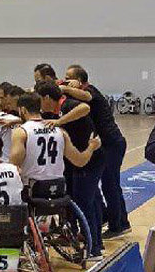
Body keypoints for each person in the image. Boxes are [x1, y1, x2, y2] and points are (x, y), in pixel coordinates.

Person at [35, 81, 105, 259]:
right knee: (76, 200)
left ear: (47, 98)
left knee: (84, 202)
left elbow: (85, 108)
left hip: (91, 157)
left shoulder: (67, 104)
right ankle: (81, 238)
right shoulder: (50, 111)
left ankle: (95, 248)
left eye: (40, 99)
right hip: (76, 158)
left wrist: (59, 122)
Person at [65, 65, 131, 239]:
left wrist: (64, 88)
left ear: (79, 80)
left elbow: (85, 96)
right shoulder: (80, 95)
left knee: (110, 184)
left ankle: (119, 225)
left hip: (112, 144)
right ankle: (106, 218)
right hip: (105, 145)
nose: (66, 81)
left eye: (69, 78)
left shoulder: (90, 91)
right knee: (102, 185)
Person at [10, 93, 101, 187]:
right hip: (58, 188)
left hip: (32, 188)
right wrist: (91, 147)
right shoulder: (60, 131)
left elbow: (13, 167)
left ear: (23, 110)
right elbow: (80, 161)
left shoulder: (21, 132)